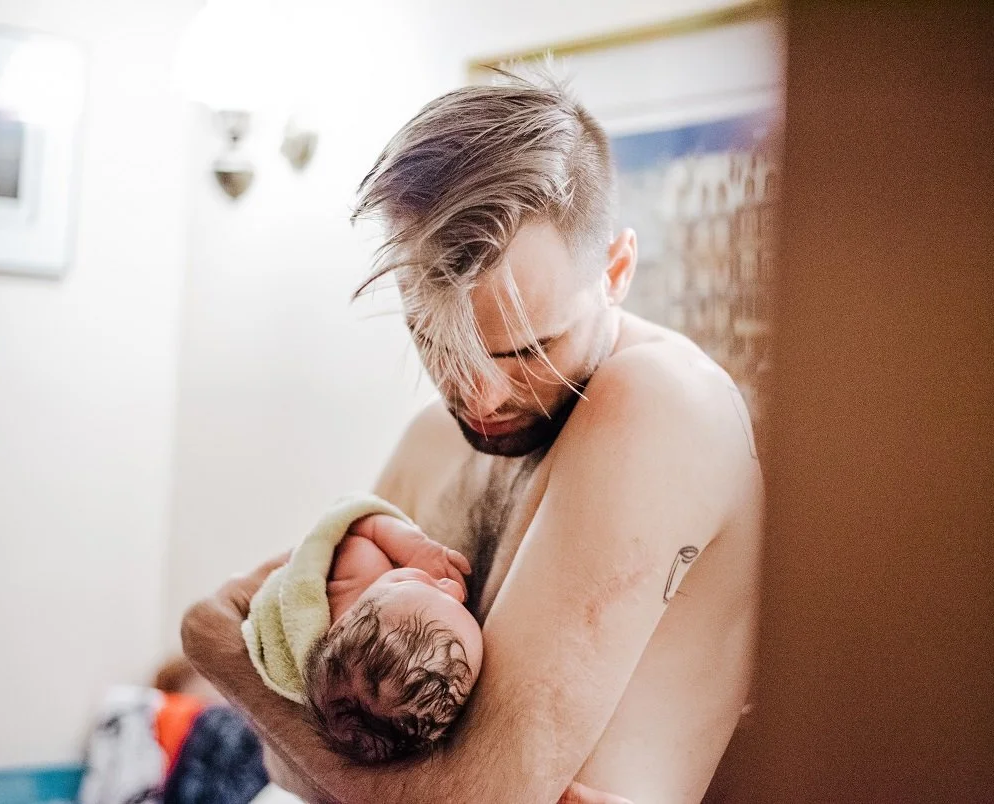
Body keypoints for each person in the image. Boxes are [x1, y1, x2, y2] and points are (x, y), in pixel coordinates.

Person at [182, 66, 763, 804]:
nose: (478, 397)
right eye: (437, 340)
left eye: (527, 349)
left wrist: (213, 643)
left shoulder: (661, 401)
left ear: (616, 270)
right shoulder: (436, 437)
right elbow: (289, 756)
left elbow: (470, 799)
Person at [244, 495, 480, 764]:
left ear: (341, 624)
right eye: (425, 585)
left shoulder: (367, 586)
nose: (455, 587)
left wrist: (417, 561)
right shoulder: (364, 584)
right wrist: (415, 548)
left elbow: (360, 526)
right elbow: (352, 521)